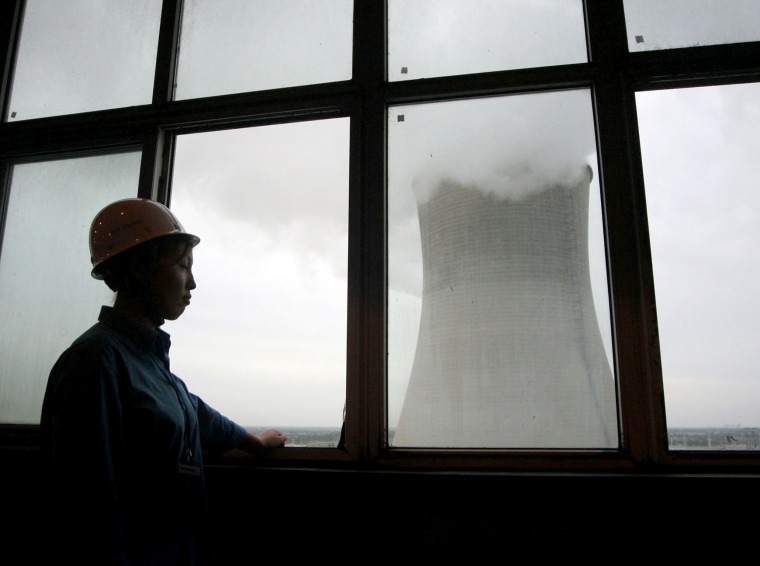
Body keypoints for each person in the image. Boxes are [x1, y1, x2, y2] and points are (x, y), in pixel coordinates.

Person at [40, 198, 286, 565]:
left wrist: (255, 443)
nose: (193, 283)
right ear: (140, 268)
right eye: (182, 265)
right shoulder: (95, 362)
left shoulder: (146, 361)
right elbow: (89, 508)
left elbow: (192, 412)